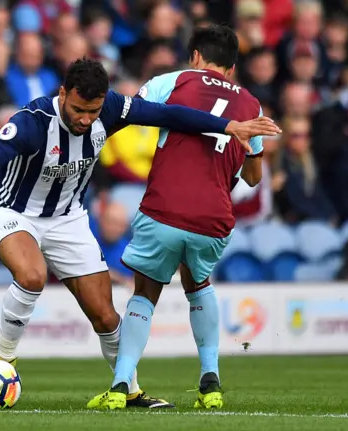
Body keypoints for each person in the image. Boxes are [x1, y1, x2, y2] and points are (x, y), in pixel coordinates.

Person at [0, 58, 279, 407]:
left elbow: (170, 115)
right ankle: (4, 362)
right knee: (32, 275)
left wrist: (229, 126)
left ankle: (130, 389)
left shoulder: (111, 109)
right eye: (78, 109)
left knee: (106, 317)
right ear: (62, 94)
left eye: (92, 112)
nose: (85, 119)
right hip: (13, 212)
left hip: (68, 219)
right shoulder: (32, 122)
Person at [87, 25, 269, 411]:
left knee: (146, 292)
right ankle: (211, 382)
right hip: (215, 216)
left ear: (196, 57)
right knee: (198, 283)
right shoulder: (252, 105)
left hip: (165, 206)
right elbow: (253, 179)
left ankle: (121, 385)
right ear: (232, 68)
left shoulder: (172, 80)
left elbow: (130, 112)